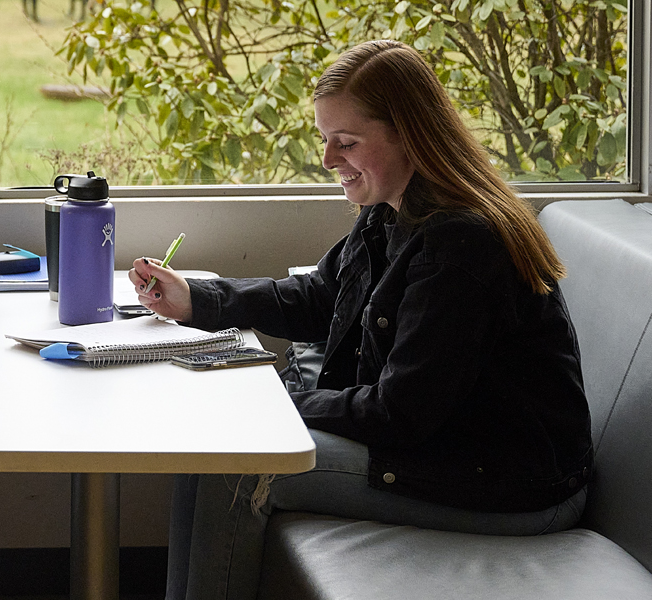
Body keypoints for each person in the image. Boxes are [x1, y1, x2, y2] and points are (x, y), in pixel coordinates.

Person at [130, 40, 594, 599]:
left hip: (508, 487)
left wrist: (272, 402)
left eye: (345, 143)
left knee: (234, 465)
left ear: (410, 135)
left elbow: (402, 414)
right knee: (221, 446)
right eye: (324, 140)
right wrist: (197, 301)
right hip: (448, 454)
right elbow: (321, 297)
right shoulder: (389, 211)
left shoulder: (462, 244)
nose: (328, 160)